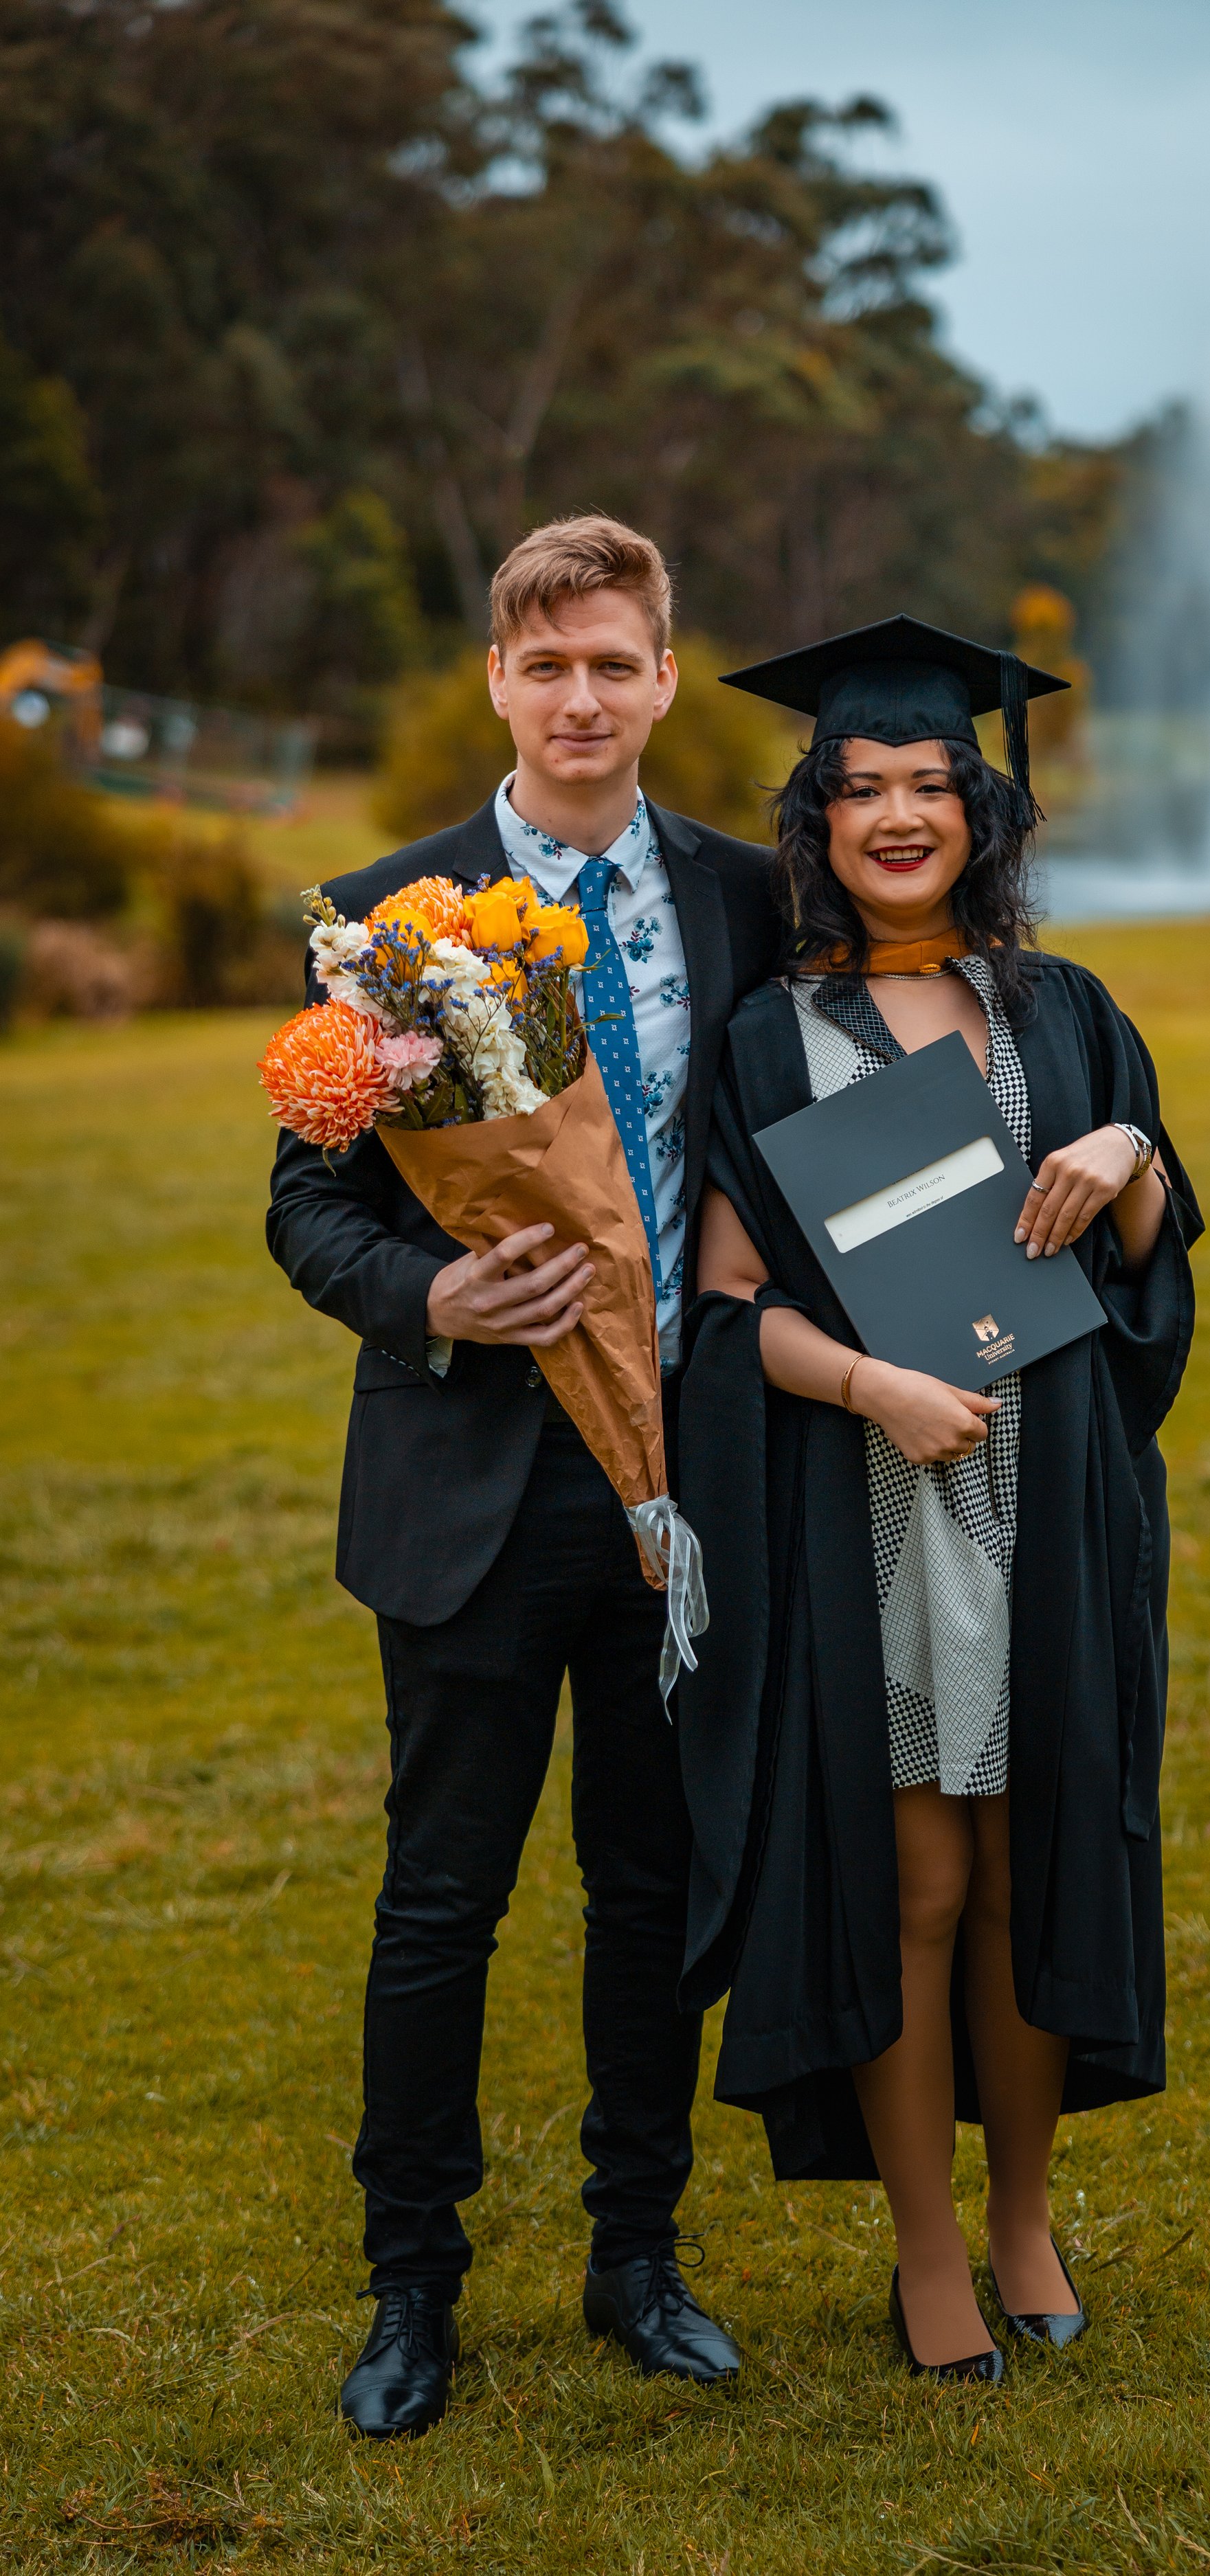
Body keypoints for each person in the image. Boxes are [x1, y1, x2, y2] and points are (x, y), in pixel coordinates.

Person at [265, 515, 780, 2437]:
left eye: (614, 661)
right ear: (497, 677)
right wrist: (438, 1292)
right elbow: (307, 1206)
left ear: (663, 676)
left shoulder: (745, 897)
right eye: (544, 661)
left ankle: (637, 2256)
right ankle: (413, 2285)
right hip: (473, 1476)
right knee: (441, 1897)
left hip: (682, 1483)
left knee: (649, 1886)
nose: (580, 695)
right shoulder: (383, 919)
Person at [675, 616, 1200, 2379]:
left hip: (1046, 1501)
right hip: (876, 1506)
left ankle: (1027, 2218)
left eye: (926, 786)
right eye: (857, 790)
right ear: (812, 822)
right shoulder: (769, 1040)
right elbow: (729, 1312)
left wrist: (1130, 1155)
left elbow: (1146, 1269)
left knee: (1027, 1863)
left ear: (981, 811)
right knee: (910, 1879)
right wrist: (873, 1385)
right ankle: (922, 2250)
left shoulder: (1067, 1016)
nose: (895, 817)